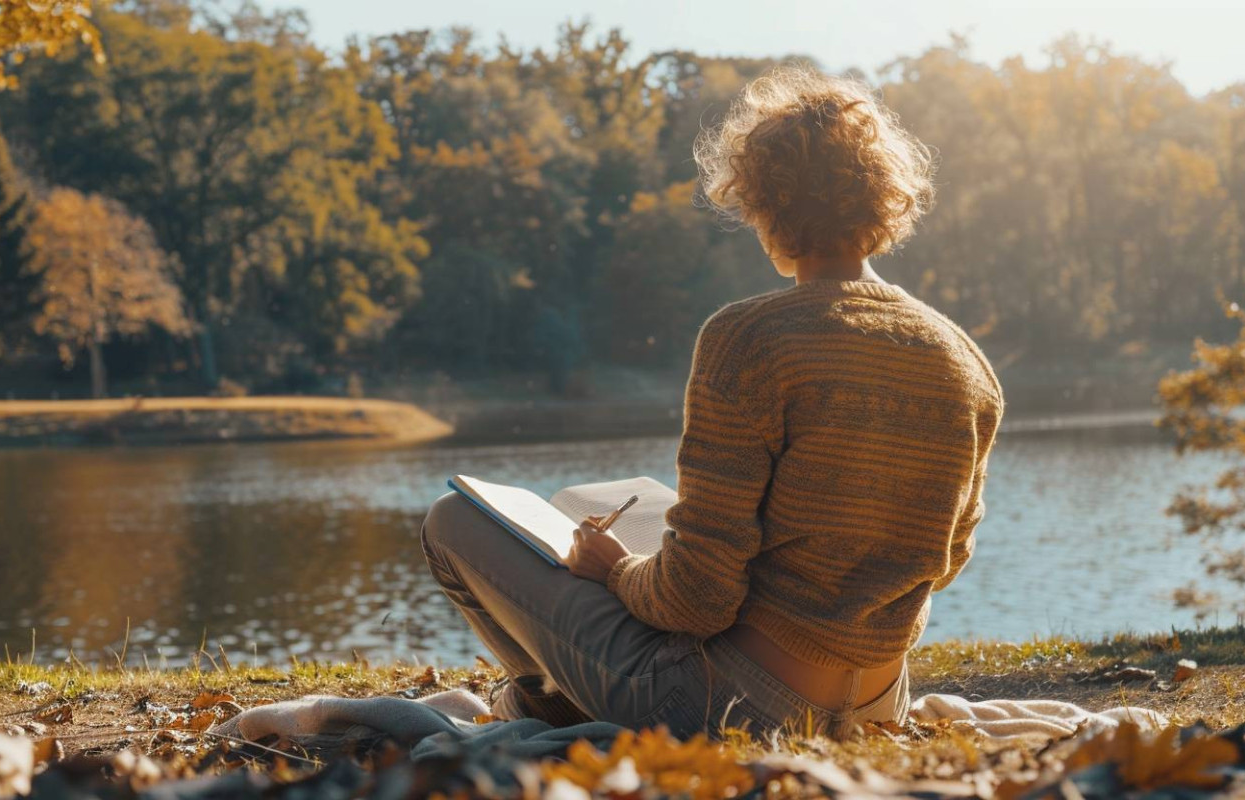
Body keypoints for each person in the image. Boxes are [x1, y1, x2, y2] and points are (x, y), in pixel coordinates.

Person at [421, 65, 1004, 739]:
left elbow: (696, 601)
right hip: (879, 702)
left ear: (764, 203)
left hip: (732, 706)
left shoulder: (750, 338)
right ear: (883, 199)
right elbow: (946, 557)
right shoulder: (964, 360)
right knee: (652, 512)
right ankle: (563, 694)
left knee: (450, 522)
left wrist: (618, 571)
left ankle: (549, 701)